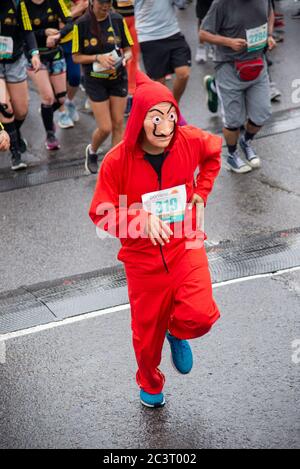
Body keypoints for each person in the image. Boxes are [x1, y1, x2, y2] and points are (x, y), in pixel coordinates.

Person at [89, 71, 222, 408]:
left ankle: (176, 329)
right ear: (140, 122)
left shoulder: (189, 140)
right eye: (157, 117)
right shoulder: (116, 161)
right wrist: (138, 219)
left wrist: (202, 191)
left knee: (201, 316)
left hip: (186, 243)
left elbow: (214, 153)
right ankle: (150, 381)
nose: (166, 125)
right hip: (142, 261)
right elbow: (101, 212)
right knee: (146, 341)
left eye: (172, 115)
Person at [200, 0, 276, 174]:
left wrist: (269, 35)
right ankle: (233, 154)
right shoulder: (221, 4)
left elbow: (270, 12)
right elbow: (203, 34)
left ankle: (246, 141)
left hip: (257, 64)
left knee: (262, 114)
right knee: (234, 121)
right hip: (229, 66)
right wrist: (228, 42)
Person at [72, 0, 133, 174]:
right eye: (102, 3)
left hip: (117, 77)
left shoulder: (117, 19)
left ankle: (115, 168)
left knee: (118, 124)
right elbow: (76, 57)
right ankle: (92, 151)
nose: (106, 6)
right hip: (95, 80)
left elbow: (128, 49)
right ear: (92, 2)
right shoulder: (81, 24)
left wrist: (126, 57)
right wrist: (97, 58)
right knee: (105, 127)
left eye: (108, 2)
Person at [25, 0, 73, 150]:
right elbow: (25, 32)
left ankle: (47, 114)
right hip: (35, 57)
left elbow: (70, 22)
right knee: (47, 97)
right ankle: (50, 135)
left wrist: (59, 35)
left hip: (55, 54)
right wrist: (44, 33)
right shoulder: (23, 5)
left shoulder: (55, 1)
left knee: (61, 98)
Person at [0, 0, 40, 170]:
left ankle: (11, 134)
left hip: (14, 60)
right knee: (5, 108)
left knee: (21, 110)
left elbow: (27, 30)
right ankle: (15, 153)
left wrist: (34, 53)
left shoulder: (17, 3)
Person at [134, 0, 191, 103]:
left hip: (172, 32)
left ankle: (174, 104)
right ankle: (166, 110)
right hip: (149, 36)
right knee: (159, 84)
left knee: (184, 73)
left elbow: (181, 4)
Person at [58, 0, 88, 128]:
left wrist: (66, 17)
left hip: (70, 38)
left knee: (75, 77)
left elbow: (84, 4)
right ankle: (62, 112)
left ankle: (69, 101)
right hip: (51, 42)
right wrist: (74, 12)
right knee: (58, 81)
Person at [112, 0, 140, 117]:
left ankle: (130, 94)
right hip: (116, 20)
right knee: (118, 58)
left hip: (134, 19)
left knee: (133, 58)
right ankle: (114, 94)